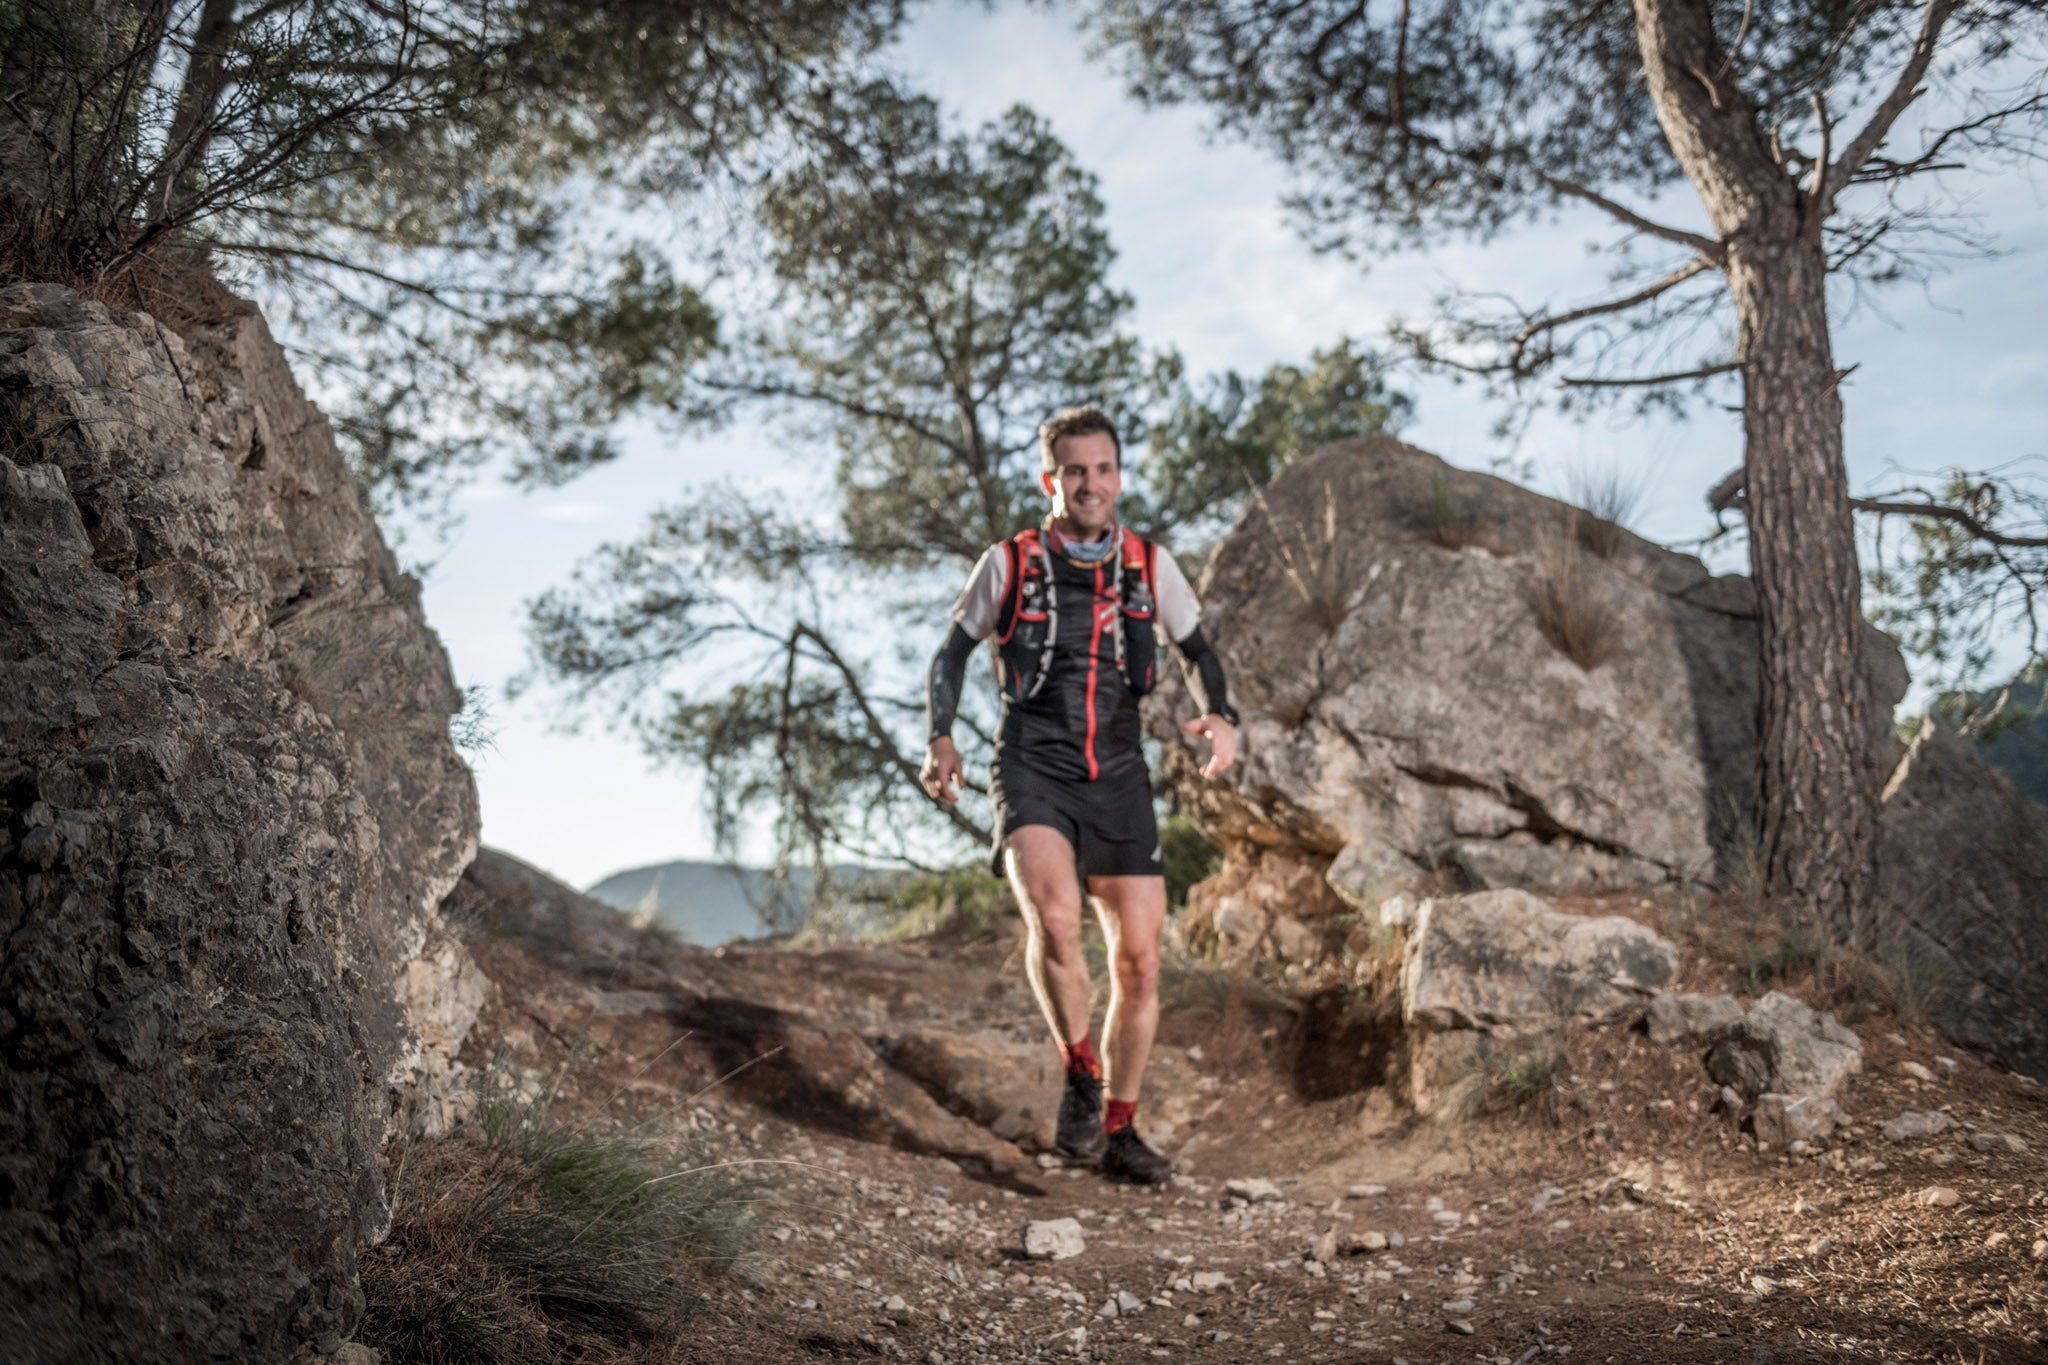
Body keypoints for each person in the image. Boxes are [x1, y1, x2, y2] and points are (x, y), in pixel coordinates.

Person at [920, 406, 1239, 1184]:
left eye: (1103, 469)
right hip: (1032, 763)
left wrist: (1223, 719)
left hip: (1120, 774)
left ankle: (1122, 1127)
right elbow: (951, 653)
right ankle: (1079, 1070)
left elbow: (1199, 650)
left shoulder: (1149, 564)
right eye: (1075, 470)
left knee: (1140, 962)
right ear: (1050, 479)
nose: (1090, 483)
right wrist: (941, 737)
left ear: (1118, 476)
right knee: (1057, 922)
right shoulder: (1009, 562)